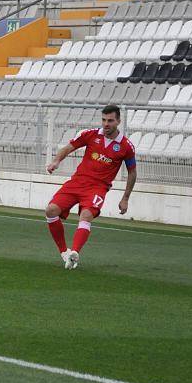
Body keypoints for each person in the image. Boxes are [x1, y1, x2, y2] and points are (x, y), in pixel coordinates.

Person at [44, 104, 137, 269]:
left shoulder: (126, 146)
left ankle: (74, 254)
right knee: (51, 210)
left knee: (86, 215)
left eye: (110, 120)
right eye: (104, 120)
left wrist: (125, 198)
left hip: (97, 188)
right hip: (77, 182)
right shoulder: (90, 134)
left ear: (118, 121)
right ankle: (64, 252)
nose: (106, 124)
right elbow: (68, 148)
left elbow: (132, 172)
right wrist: (56, 161)